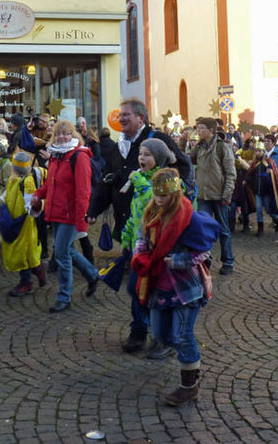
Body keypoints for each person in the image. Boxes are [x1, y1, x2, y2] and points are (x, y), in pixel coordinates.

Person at [131, 168, 220, 407]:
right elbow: (142, 238)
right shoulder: (151, 212)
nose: (160, 199)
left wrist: (179, 261)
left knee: (182, 336)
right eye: (157, 194)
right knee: (161, 335)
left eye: (165, 195)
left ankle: (189, 385)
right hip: (158, 285)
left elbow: (203, 251)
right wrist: (139, 255)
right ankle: (185, 357)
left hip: (185, 288)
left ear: (174, 193)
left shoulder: (188, 218)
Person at [94, 98, 190, 240]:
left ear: (141, 118)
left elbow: (181, 169)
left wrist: (160, 195)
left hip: (157, 224)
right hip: (129, 224)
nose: (121, 119)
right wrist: (94, 209)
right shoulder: (118, 147)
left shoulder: (159, 139)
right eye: (120, 115)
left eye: (126, 115)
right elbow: (107, 180)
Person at [30, 120, 100, 313]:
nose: (62, 137)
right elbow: (50, 185)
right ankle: (92, 274)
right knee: (66, 250)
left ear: (73, 135)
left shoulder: (79, 157)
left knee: (61, 253)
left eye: (66, 134)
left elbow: (83, 192)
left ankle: (64, 297)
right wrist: (38, 194)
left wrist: (81, 222)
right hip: (56, 211)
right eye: (59, 134)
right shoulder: (56, 156)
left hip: (70, 214)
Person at [120, 137, 176, 355]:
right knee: (135, 290)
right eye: (141, 154)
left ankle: (163, 339)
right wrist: (126, 236)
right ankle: (139, 331)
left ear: (158, 159)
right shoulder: (141, 178)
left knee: (155, 294)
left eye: (147, 155)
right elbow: (137, 214)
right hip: (139, 248)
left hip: (159, 249)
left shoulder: (167, 179)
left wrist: (139, 183)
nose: (142, 158)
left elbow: (153, 202)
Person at [190, 117, 236, 275]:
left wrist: (227, 194)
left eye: (202, 128)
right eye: (197, 128)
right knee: (202, 230)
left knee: (223, 230)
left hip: (220, 195)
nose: (198, 131)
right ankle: (204, 260)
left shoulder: (222, 147)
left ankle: (228, 261)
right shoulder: (200, 147)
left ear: (211, 130)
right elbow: (190, 158)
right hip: (203, 195)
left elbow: (231, 173)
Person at [1, 151, 46, 297]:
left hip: (24, 222)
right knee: (21, 250)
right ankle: (38, 269)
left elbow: (31, 203)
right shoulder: (12, 179)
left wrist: (28, 213)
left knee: (23, 252)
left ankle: (26, 283)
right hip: (13, 218)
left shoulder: (26, 181)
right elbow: (7, 195)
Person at [246, 139, 278, 237]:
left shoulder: (269, 162)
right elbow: (250, 173)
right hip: (257, 191)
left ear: (263, 152)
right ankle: (260, 229)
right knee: (258, 209)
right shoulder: (254, 163)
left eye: (260, 151)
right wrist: (247, 179)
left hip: (266, 191)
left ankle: (276, 218)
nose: (258, 153)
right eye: (256, 151)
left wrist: (269, 172)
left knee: (268, 209)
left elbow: (274, 175)